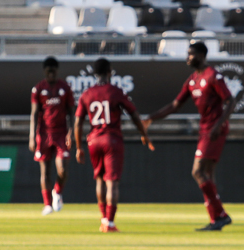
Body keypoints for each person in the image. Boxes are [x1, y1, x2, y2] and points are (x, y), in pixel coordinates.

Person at [143, 41, 237, 231]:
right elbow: (175, 105)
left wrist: (219, 125)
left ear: (202, 55)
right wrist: (151, 118)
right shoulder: (192, 79)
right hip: (205, 129)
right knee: (208, 174)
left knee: (197, 171)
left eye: (191, 54)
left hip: (214, 129)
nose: (188, 57)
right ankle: (216, 219)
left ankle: (221, 215)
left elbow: (231, 101)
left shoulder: (213, 76)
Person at [74, 57, 153, 232]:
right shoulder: (115, 91)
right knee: (112, 183)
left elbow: (78, 122)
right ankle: (110, 222)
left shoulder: (87, 94)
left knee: (100, 180)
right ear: (110, 72)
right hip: (112, 139)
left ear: (95, 74)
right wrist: (144, 134)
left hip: (93, 140)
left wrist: (79, 147)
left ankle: (103, 219)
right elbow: (133, 114)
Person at [30, 57, 74, 216]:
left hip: (61, 133)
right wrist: (32, 136)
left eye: (53, 71)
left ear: (57, 71)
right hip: (44, 133)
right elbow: (35, 113)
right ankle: (47, 204)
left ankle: (57, 191)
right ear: (45, 72)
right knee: (45, 171)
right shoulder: (38, 89)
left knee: (62, 169)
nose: (51, 74)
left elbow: (71, 112)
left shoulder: (65, 88)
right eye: (48, 71)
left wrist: (71, 132)